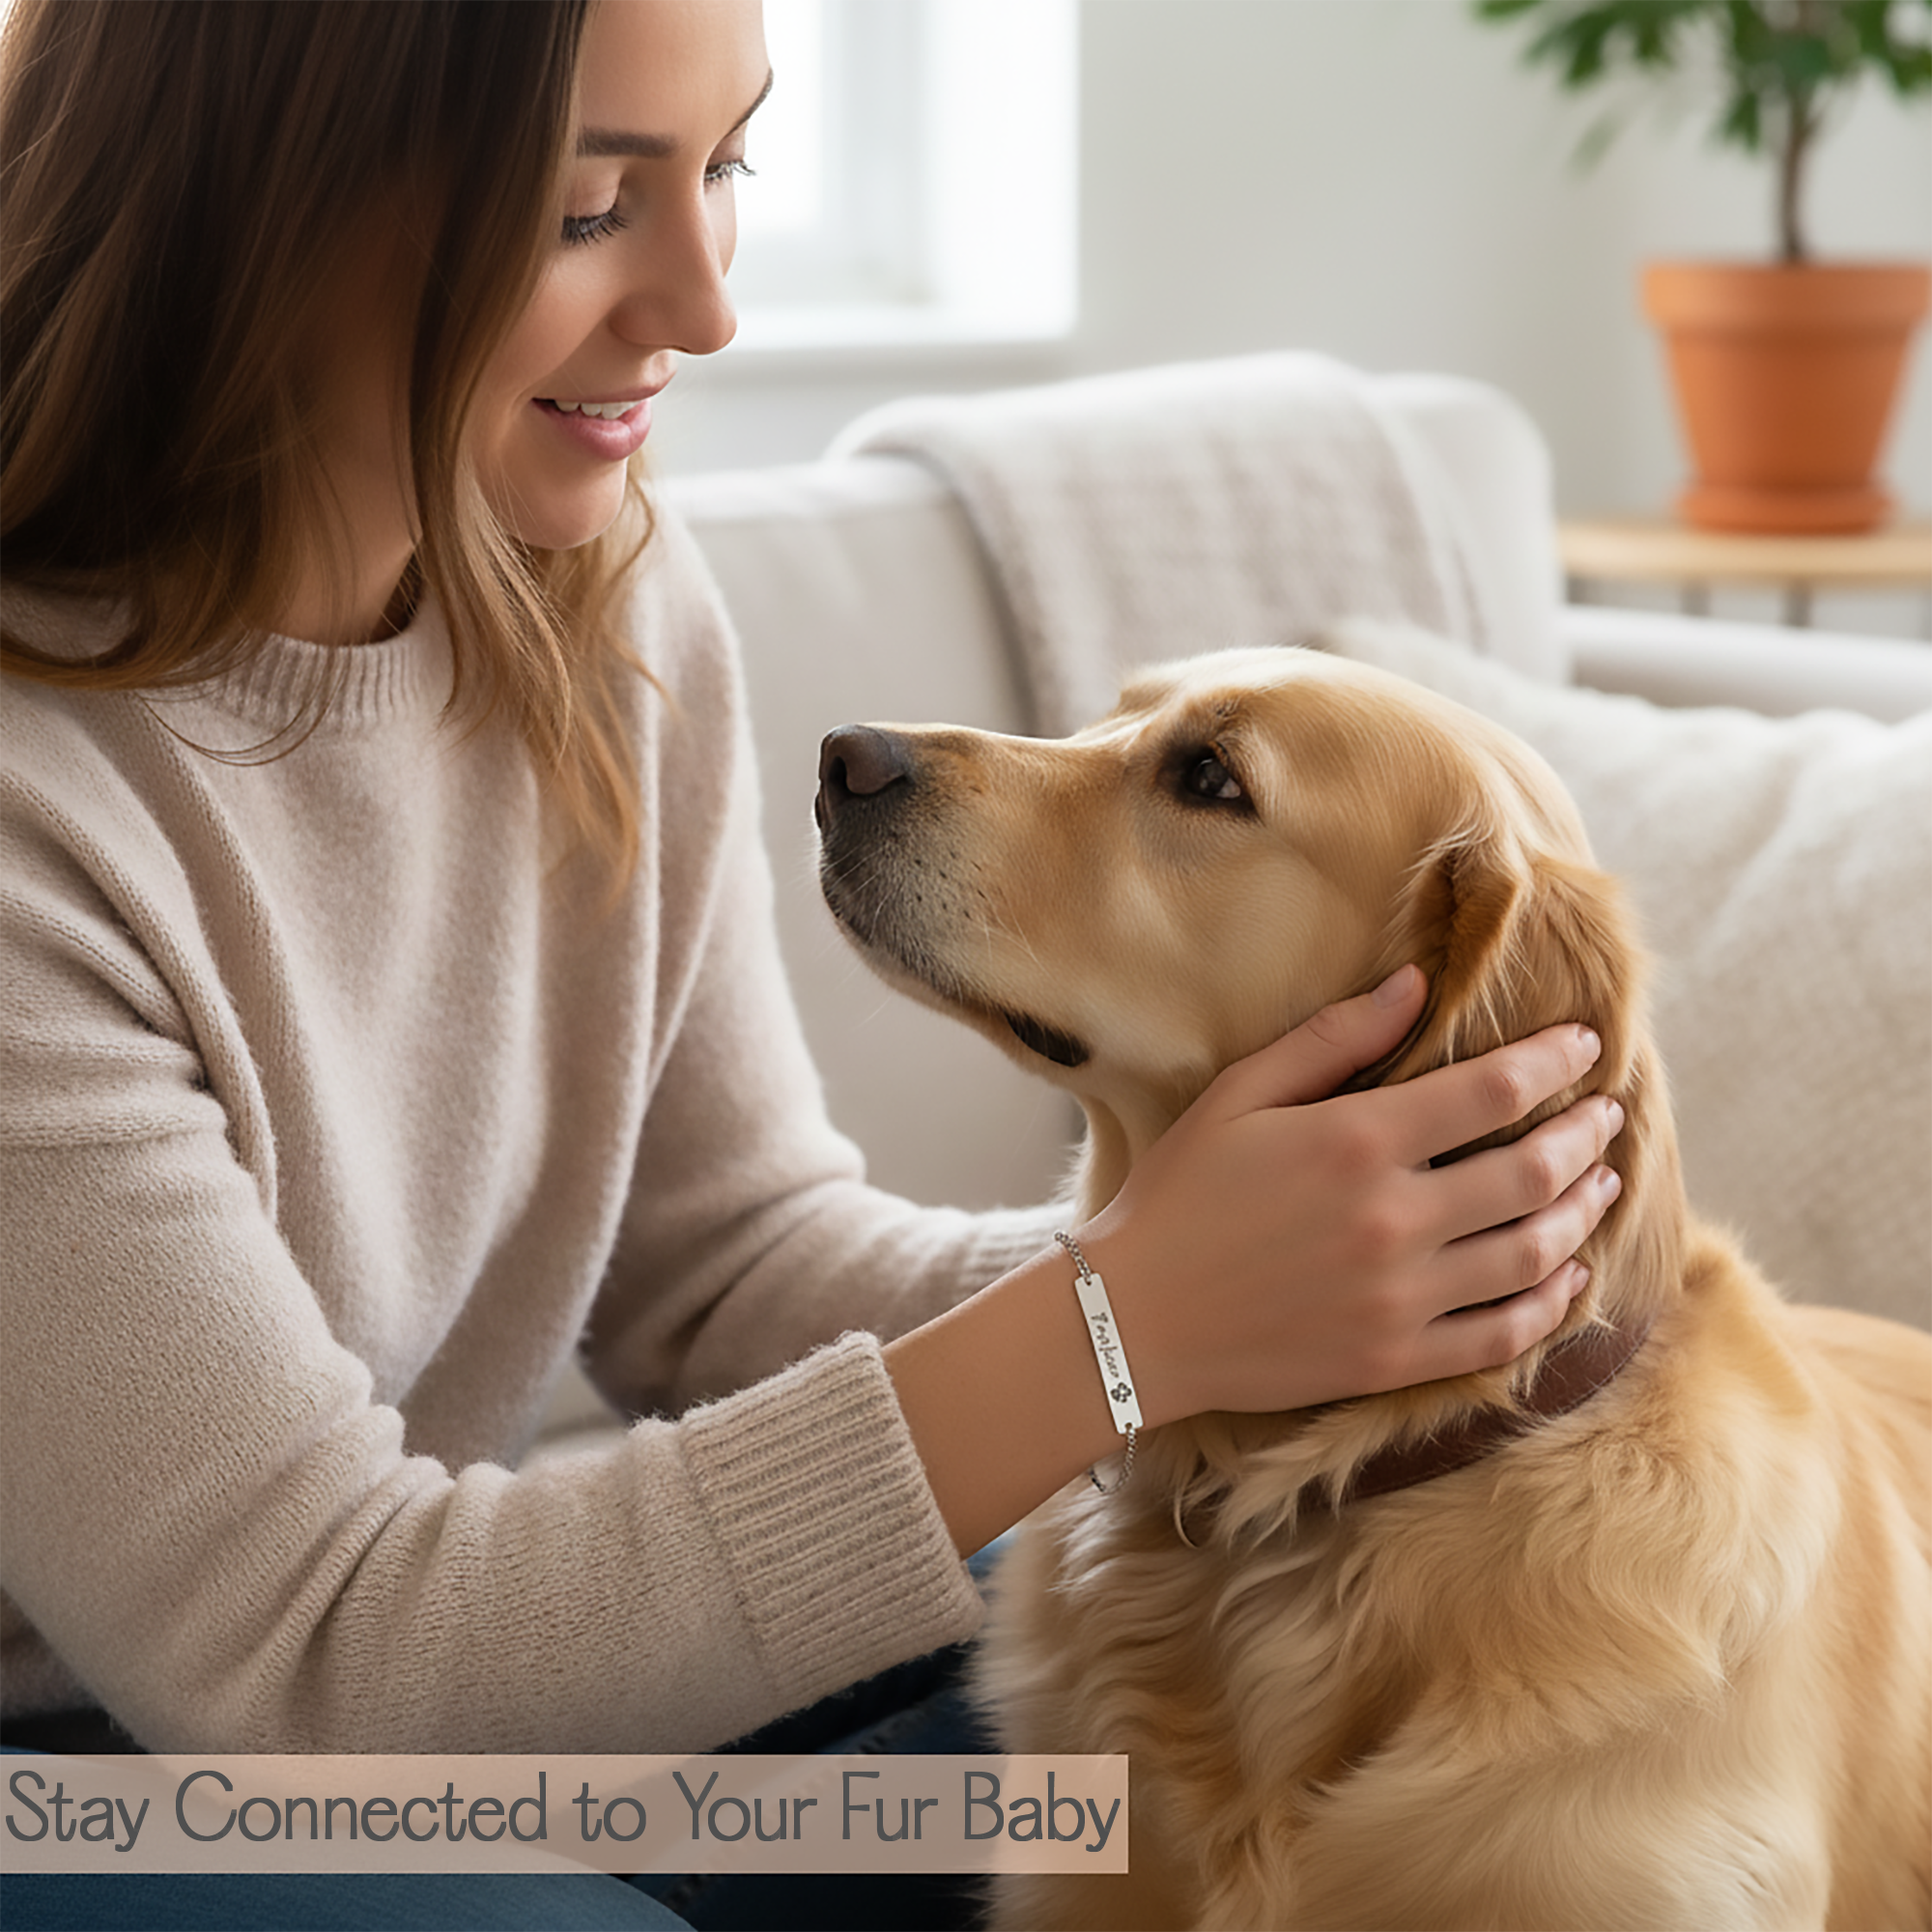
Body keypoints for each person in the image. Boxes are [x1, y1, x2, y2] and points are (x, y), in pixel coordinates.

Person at [0, 0, 1622, 1924]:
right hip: (110, 1792)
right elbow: (324, 1665)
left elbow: (732, 1260)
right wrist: (1123, 1323)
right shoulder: (40, 813)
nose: (702, 306)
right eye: (596, 205)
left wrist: (1290, 1281)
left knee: (1193, 1734)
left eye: (730, 168)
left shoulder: (606, 610)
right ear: (265, 204)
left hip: (434, 1739)